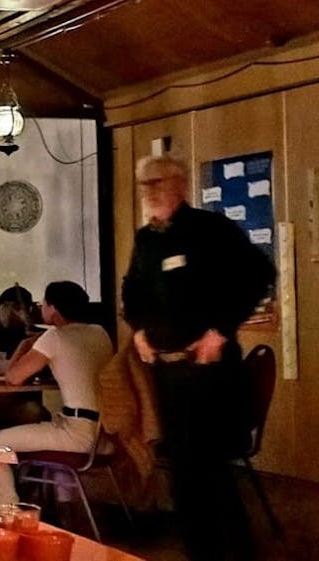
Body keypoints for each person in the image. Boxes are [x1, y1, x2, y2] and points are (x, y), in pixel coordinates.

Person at [121, 154, 274, 561]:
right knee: (185, 475)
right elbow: (132, 292)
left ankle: (234, 555)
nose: (148, 192)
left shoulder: (210, 230)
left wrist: (219, 331)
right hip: (168, 374)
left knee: (210, 473)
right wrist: (139, 330)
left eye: (156, 182)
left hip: (209, 373)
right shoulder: (146, 239)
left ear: (179, 183)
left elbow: (259, 274)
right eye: (143, 184)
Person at [0, 281, 113, 454]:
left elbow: (13, 378)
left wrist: (25, 345)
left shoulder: (54, 337)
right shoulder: (100, 332)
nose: (40, 308)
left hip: (76, 433)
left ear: (53, 309)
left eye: (44, 304)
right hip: (104, 433)